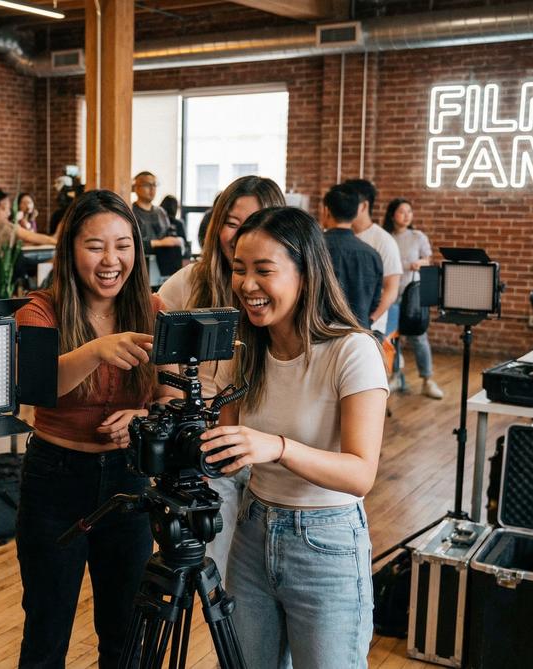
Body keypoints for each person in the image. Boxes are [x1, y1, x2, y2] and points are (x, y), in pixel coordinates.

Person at [201, 206, 387, 668]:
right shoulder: (245, 350)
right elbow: (222, 441)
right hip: (252, 532)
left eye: (265, 270)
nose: (247, 285)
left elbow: (360, 473)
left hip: (326, 543)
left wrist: (278, 447)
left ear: (307, 273)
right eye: (239, 269)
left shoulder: (352, 350)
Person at [14, 189, 165, 668]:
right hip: (55, 478)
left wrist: (144, 417)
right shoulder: (40, 310)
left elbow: (172, 393)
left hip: (128, 479)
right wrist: (97, 350)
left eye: (123, 245)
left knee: (126, 630)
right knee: (47, 624)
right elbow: (36, 386)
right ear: (70, 249)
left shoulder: (152, 309)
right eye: (95, 245)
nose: (110, 259)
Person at [156, 174, 285, 582]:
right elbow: (163, 373)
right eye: (232, 222)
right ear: (215, 225)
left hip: (274, 455)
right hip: (209, 453)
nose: (242, 234)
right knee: (223, 580)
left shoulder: (285, 294)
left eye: (256, 221)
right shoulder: (186, 286)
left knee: (268, 584)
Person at [382, 198, 443, 399]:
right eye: (402, 211)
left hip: (412, 295)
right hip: (390, 295)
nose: (407, 215)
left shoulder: (417, 236)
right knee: (392, 337)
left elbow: (428, 259)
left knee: (418, 337)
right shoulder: (386, 237)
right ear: (392, 215)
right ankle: (397, 376)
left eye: (409, 211)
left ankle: (427, 379)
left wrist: (420, 263)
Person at [343, 179, 402, 333]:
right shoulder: (341, 235)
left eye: (350, 201)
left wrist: (371, 320)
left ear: (364, 206)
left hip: (370, 327)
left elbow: (391, 288)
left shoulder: (383, 240)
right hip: (341, 324)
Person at [322, 185, 383, 330]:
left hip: (321, 334)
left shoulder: (313, 248)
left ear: (326, 211)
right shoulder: (372, 255)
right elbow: (375, 302)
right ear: (356, 213)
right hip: (359, 334)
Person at [132, 171, 184, 275]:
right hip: (139, 265)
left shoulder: (160, 212)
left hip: (164, 263)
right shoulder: (131, 212)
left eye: (154, 185)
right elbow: (131, 243)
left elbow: (169, 235)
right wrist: (159, 243)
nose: (152, 189)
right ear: (136, 188)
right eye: (147, 185)